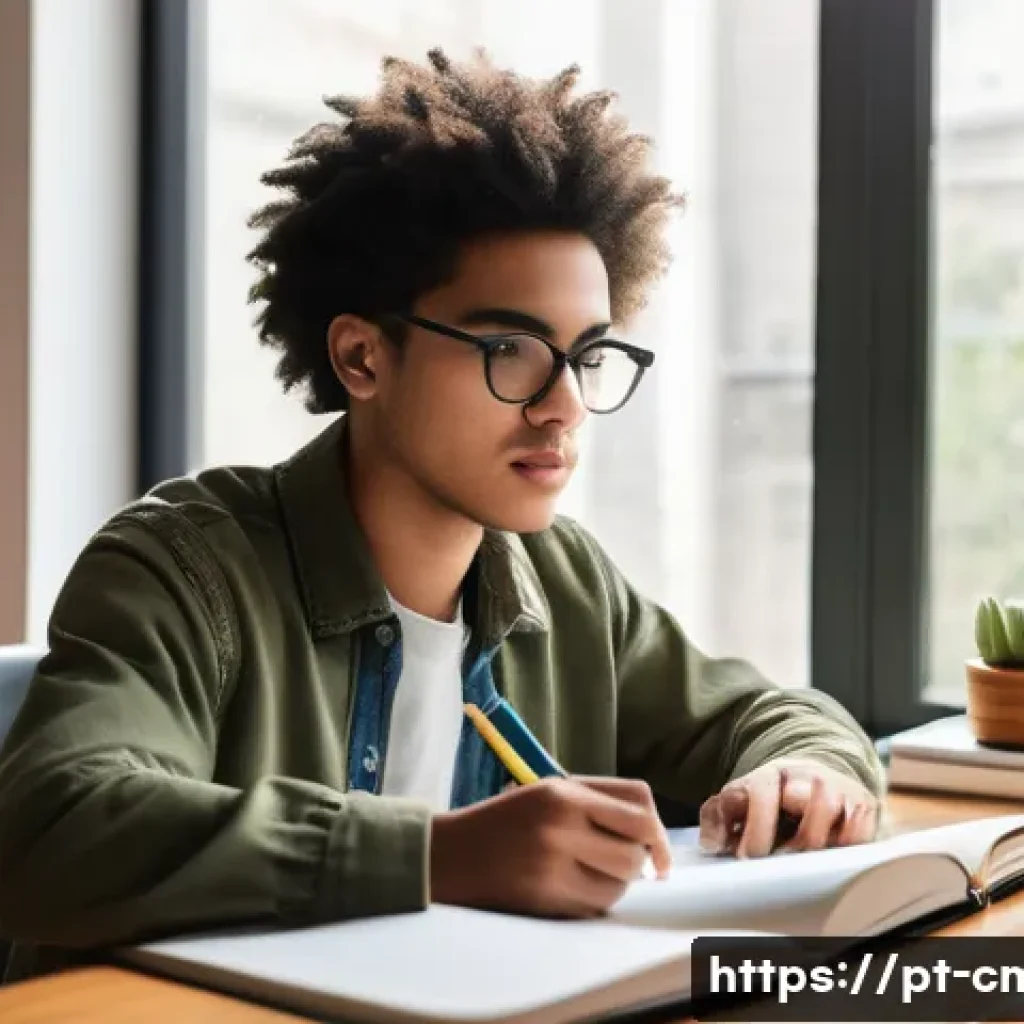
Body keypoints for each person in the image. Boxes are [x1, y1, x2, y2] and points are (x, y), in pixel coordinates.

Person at [0, 48, 882, 982]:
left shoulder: (563, 585)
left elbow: (775, 718)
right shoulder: (183, 568)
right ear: (362, 358)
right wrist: (439, 855)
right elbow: (51, 823)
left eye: (586, 355)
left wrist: (806, 770)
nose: (564, 405)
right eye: (510, 347)